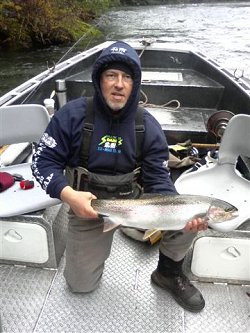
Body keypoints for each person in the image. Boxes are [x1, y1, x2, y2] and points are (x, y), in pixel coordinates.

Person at [31, 40, 208, 313]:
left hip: (136, 204)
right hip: (88, 207)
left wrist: (176, 211)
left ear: (134, 84)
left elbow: (159, 180)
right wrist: (69, 195)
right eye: (111, 75)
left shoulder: (147, 125)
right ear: (99, 80)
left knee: (189, 216)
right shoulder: (71, 116)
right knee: (80, 285)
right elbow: (42, 162)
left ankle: (168, 272)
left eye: (127, 77)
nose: (119, 84)